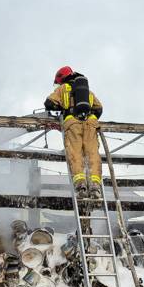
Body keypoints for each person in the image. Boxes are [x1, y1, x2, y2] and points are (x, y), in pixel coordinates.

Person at [44, 66, 104, 199]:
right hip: (90, 124)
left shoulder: (63, 88)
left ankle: (80, 185)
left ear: (62, 79)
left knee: (75, 153)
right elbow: (99, 108)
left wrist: (63, 109)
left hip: (72, 124)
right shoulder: (88, 92)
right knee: (92, 154)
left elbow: (48, 103)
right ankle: (95, 186)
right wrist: (90, 118)